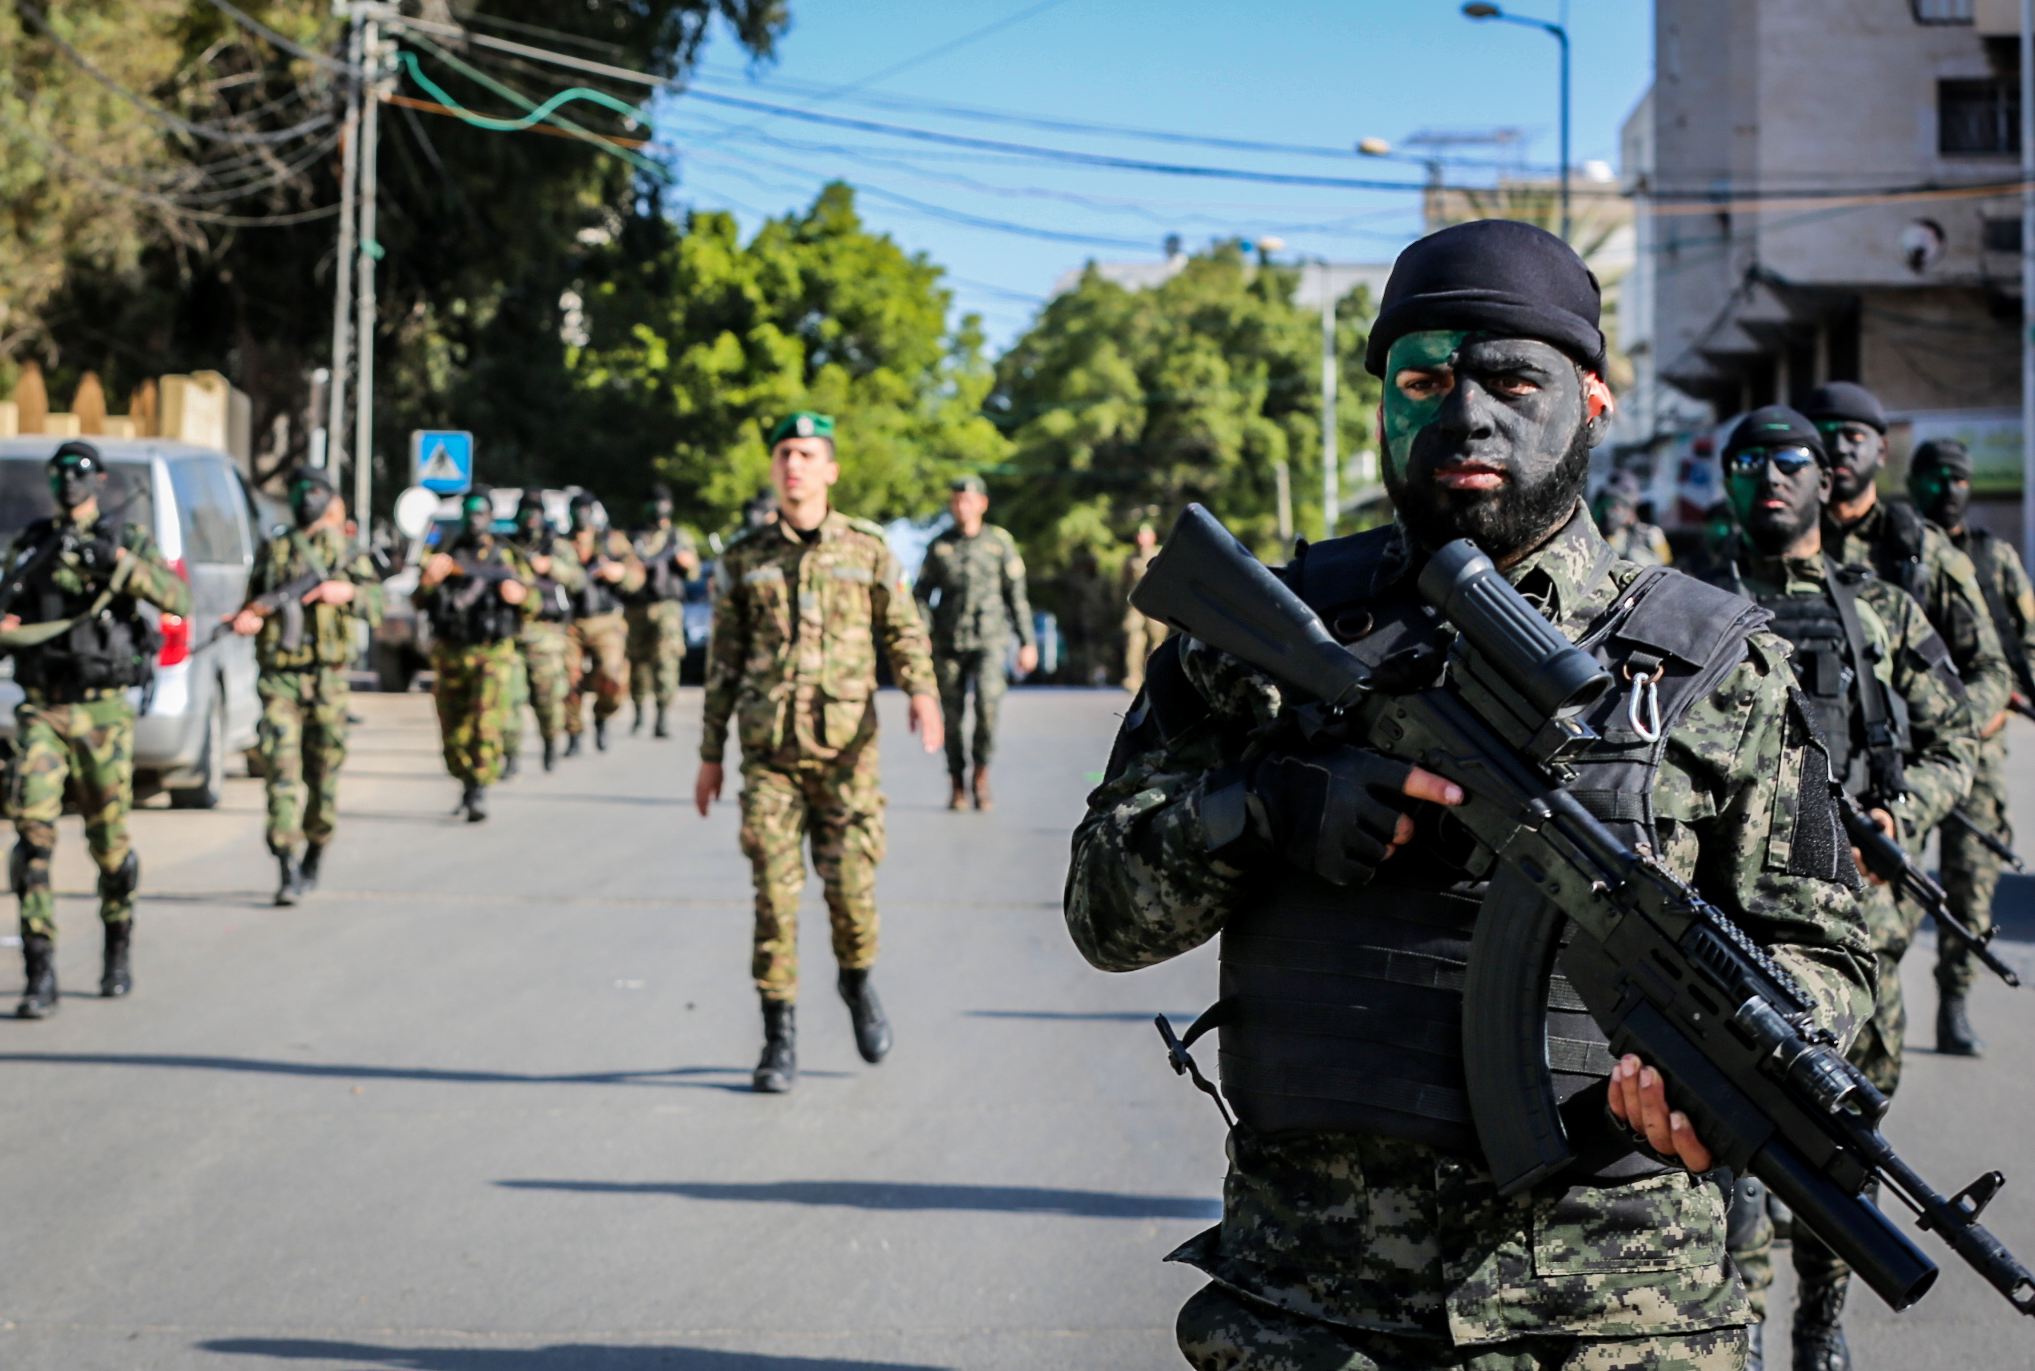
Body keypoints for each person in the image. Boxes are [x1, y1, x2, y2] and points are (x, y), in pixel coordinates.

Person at [1064, 220, 1875, 1370]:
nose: (1464, 413)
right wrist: (1252, 809)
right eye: (1423, 377)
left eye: (1511, 378)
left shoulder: (1714, 663)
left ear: (1592, 396)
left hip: (1620, 1319)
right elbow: (1101, 913)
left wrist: (1720, 1071)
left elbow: (1831, 953)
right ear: (1385, 399)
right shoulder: (1262, 637)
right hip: (1313, 1307)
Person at [1711, 406, 1976, 1371]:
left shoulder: (1882, 611)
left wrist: (1906, 812)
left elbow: (1952, 735)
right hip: (1724, 926)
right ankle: (1731, 1332)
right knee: (1726, 1147)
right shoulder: (1687, 602)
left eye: (1787, 461)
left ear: (1826, 477)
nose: (1766, 477)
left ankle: (1820, 1324)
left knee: (1840, 1147)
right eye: (1746, 461)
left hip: (1858, 935)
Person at [695, 411, 942, 1094]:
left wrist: (922, 693)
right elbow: (724, 661)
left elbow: (903, 630)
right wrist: (709, 752)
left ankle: (857, 983)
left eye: (807, 454)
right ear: (773, 469)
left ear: (830, 468)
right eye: (783, 454)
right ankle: (778, 1038)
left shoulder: (866, 551)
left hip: (847, 756)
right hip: (768, 756)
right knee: (774, 899)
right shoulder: (744, 558)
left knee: (851, 896)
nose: (794, 465)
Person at [0, 439, 192, 1017]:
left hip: (104, 713)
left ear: (99, 480)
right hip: (43, 711)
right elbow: (4, 617)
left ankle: (117, 948)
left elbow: (179, 598)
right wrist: (1, 626)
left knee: (109, 846)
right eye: (59, 473)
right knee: (32, 837)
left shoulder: (126, 540)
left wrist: (121, 567)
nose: (69, 482)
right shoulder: (32, 545)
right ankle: (40, 973)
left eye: (80, 472)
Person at [1908, 437, 2035, 1056]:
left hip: (1978, 745)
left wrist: (1998, 703)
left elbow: (2024, 646)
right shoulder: (1896, 552)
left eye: (1958, 478)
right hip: (1904, 743)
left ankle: (1954, 1001)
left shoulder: (1995, 557)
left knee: (1973, 883)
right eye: (1936, 478)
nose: (1948, 488)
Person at [1806, 380, 2013, 756]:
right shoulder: (1782, 546)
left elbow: (1989, 666)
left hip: (1919, 761)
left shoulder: (1923, 548)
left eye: (1854, 436)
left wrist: (1956, 727)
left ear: (1882, 450)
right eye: (1825, 436)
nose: (1839, 449)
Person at [226, 466, 383, 905]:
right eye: (297, 490)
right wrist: (248, 617)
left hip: (328, 679)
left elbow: (378, 603)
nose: (304, 498)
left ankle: (316, 843)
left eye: (313, 491)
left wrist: (347, 593)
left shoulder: (347, 552)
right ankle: (285, 862)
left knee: (323, 773)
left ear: (328, 498)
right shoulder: (274, 549)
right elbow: (253, 602)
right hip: (281, 679)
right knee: (280, 769)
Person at [914, 474, 1037, 811]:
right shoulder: (939, 546)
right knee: (951, 719)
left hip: (989, 640)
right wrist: (922, 631)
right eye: (955, 501)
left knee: (987, 707)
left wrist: (1028, 642)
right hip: (948, 642)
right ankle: (956, 782)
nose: (961, 507)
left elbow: (1017, 596)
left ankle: (980, 777)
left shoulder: (999, 544)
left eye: (967, 500)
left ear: (982, 503)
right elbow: (920, 595)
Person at [415, 487, 535, 821]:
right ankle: (465, 777)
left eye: (482, 512)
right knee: (453, 732)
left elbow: (536, 599)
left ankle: (478, 788)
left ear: (491, 517)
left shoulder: (506, 556)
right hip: (450, 653)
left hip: (492, 652)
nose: (475, 518)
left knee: (486, 723)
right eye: (470, 511)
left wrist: (520, 596)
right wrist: (428, 581)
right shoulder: (444, 552)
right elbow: (419, 600)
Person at [512, 490, 585, 772]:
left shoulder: (557, 548)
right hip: (512, 634)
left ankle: (551, 742)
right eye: (526, 511)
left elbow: (578, 580)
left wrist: (551, 566)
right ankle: (511, 755)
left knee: (547, 700)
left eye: (536, 511)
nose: (531, 517)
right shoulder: (508, 548)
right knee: (511, 700)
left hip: (547, 634)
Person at [563, 491, 636, 752]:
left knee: (612, 678)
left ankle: (602, 717)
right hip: (569, 623)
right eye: (576, 509)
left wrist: (621, 573)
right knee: (567, 681)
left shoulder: (612, 541)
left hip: (606, 621)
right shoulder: (561, 543)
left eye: (586, 509)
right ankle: (573, 732)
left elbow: (636, 574)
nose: (581, 515)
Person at [625, 484, 699, 738]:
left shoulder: (678, 537)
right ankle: (637, 712)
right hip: (635, 608)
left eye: (662, 502)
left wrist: (685, 562)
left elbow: (693, 571)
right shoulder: (633, 536)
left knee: (666, 661)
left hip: (667, 607)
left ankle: (662, 716)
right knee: (637, 663)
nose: (657, 507)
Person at [1120, 522, 1167, 693]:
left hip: (1156, 604)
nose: (1141, 539)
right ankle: (1133, 679)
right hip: (1136, 606)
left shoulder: (1161, 553)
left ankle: (1157, 678)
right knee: (1133, 640)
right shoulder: (1131, 559)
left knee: (1158, 644)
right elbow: (1122, 585)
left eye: (1145, 535)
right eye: (1139, 535)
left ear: (1152, 537)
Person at [1593, 470, 1671, 565]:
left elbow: (1667, 565)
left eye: (1616, 507)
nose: (1609, 512)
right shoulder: (1594, 536)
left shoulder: (1650, 535)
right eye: (1605, 506)